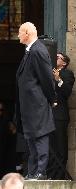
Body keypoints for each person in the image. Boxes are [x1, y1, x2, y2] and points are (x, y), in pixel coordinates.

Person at [16, 22, 56, 180]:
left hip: (37, 103)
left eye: (20, 32)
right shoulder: (30, 50)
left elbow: (46, 78)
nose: (18, 35)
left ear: (27, 33)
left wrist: (52, 98)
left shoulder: (38, 50)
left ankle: (41, 172)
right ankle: (32, 171)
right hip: (29, 105)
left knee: (40, 136)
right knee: (31, 138)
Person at [47, 52, 75, 180]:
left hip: (59, 116)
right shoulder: (48, 71)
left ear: (64, 63)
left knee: (60, 147)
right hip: (46, 116)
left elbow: (67, 92)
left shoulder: (67, 74)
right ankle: (49, 175)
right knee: (49, 147)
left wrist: (58, 80)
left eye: (58, 57)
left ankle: (58, 177)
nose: (55, 58)